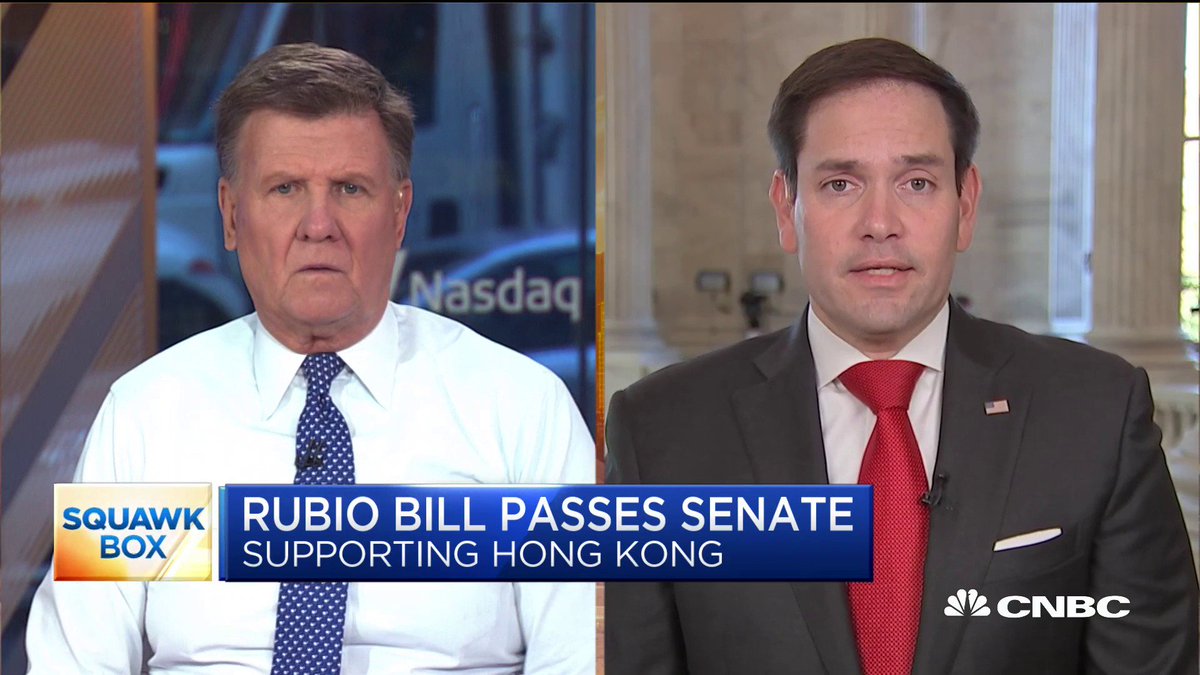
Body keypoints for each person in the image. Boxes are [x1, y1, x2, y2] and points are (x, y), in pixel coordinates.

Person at [604, 37, 1198, 675]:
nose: (880, 222)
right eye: (840, 183)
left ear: (964, 205)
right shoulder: (664, 432)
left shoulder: (1094, 412)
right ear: (786, 207)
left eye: (917, 182)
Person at [26, 43, 595, 674]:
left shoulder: (521, 410)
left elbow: (576, 656)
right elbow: (74, 662)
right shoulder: (145, 415)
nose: (318, 224)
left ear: (399, 213)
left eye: (350, 189)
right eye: (285, 188)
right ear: (231, 215)